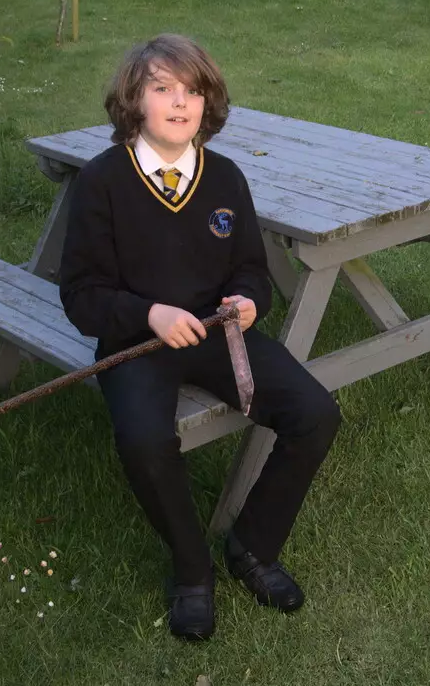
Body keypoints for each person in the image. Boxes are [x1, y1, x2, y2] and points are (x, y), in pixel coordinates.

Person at [58, 34, 342, 641]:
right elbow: (80, 295)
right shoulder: (103, 181)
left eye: (193, 91)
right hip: (137, 339)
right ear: (133, 101)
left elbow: (249, 268)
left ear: (208, 104)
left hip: (217, 335)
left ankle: (253, 548)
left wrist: (247, 304)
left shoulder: (225, 178)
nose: (180, 103)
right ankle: (192, 568)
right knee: (144, 440)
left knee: (316, 413)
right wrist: (149, 315)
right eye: (163, 88)